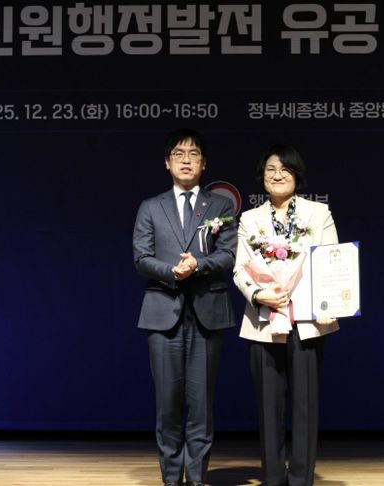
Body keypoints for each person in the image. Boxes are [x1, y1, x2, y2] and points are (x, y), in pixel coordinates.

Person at [133, 128, 237, 486]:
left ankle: (197, 477)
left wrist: (199, 265)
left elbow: (228, 253)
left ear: (204, 163)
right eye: (179, 153)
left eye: (194, 154)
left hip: (207, 312)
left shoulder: (220, 206)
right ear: (167, 163)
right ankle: (170, 477)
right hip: (163, 312)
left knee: (201, 403)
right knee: (168, 403)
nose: (187, 160)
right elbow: (141, 257)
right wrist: (172, 272)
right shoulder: (150, 206)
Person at [233, 144, 339, 486]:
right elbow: (240, 269)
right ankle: (274, 477)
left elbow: (331, 261)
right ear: (262, 177)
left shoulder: (318, 213)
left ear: (297, 175)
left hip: (307, 322)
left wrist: (328, 305)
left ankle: (301, 479)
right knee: (268, 406)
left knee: (305, 405)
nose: (278, 175)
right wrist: (259, 294)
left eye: (285, 169)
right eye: (271, 170)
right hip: (264, 320)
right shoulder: (250, 218)